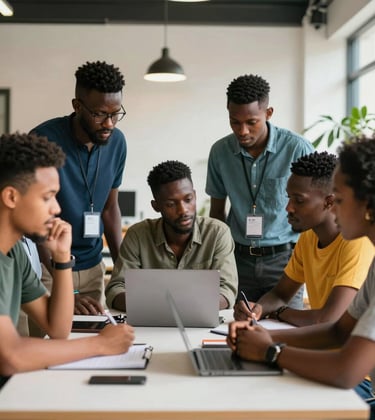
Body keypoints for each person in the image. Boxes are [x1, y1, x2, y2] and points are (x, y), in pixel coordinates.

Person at [227, 135, 375, 419]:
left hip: (362, 394)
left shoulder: (361, 249)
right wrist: (261, 336)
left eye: (340, 200)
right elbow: (338, 331)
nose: (334, 208)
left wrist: (271, 351)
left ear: (367, 204)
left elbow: (345, 371)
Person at [0, 132, 134, 385]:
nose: (57, 209)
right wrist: (101, 345)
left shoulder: (14, 251)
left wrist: (61, 257)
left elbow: (57, 328)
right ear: (11, 197)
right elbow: (10, 355)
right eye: (47, 197)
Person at [205, 74, 314, 307]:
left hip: (286, 262)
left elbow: (315, 209)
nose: (242, 131)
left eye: (251, 122)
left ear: (268, 113)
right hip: (237, 261)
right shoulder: (220, 152)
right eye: (235, 122)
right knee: (232, 330)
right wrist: (219, 261)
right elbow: (216, 213)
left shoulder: (297, 149)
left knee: (284, 331)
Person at [234, 151, 374, 326]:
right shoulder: (308, 237)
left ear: (329, 202)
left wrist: (279, 312)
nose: (288, 208)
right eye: (289, 197)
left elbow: (328, 319)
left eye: (299, 200)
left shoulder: (357, 243)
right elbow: (280, 294)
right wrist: (258, 308)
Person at [31, 60, 127, 315]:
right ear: (77, 106)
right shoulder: (43, 142)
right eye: (99, 114)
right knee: (49, 347)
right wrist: (65, 284)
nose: (109, 123)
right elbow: (34, 222)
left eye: (115, 113)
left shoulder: (117, 143)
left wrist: (122, 270)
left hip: (93, 267)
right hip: (48, 267)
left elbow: (109, 208)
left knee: (92, 342)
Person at [105, 160, 238, 311]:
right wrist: (165, 307)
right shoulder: (137, 235)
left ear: (194, 195)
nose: (183, 210)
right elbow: (116, 288)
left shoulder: (217, 233)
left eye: (188, 200)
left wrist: (174, 306)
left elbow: (226, 291)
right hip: (150, 324)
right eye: (171, 204)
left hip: (200, 325)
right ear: (156, 206)